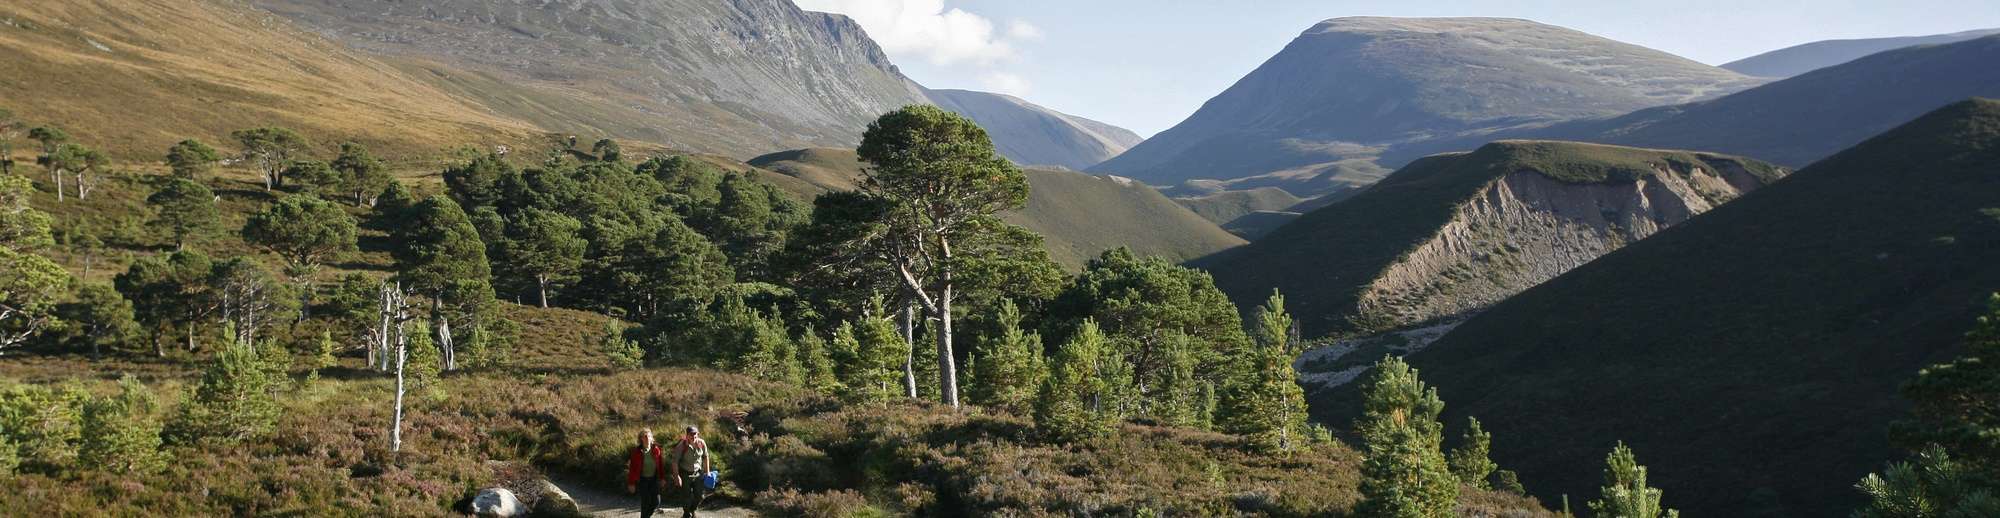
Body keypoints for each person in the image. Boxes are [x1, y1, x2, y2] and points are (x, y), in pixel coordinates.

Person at [625, 428, 669, 518]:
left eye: (649, 436)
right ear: (641, 439)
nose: (647, 438)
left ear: (652, 438)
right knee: (645, 503)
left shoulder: (656, 450)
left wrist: (662, 478)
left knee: (656, 501)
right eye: (645, 436)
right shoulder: (637, 452)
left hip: (653, 479)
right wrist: (631, 483)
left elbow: (660, 466)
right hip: (642, 480)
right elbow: (632, 469)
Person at [671, 425, 711, 518]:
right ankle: (686, 513)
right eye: (691, 435)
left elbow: (705, 456)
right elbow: (675, 462)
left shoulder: (701, 443)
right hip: (685, 473)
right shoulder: (681, 446)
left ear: (698, 434)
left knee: (700, 495)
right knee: (686, 496)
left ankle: (692, 509)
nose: (694, 437)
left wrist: (707, 471)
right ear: (687, 435)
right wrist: (677, 476)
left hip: (698, 473)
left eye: (695, 435)